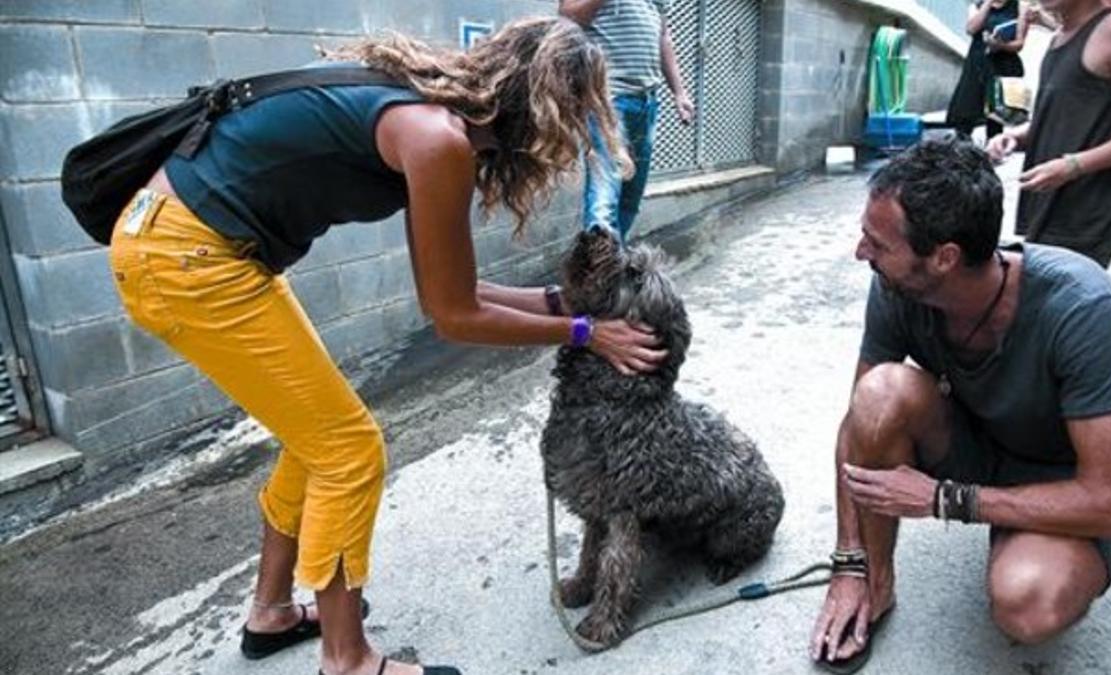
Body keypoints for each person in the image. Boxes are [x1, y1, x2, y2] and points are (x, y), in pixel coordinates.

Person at [107, 17, 667, 675]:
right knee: (348, 446)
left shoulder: (427, 116)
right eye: (574, 120)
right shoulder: (437, 139)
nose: (566, 141)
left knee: (312, 434)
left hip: (190, 246)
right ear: (543, 109)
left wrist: (558, 303)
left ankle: (271, 612)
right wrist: (583, 333)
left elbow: (452, 290)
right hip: (187, 258)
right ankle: (347, 659)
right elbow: (454, 317)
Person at [807, 140, 1111, 673]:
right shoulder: (897, 288)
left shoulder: (1084, 309)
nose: (860, 252)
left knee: (1027, 604)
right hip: (973, 441)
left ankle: (1035, 544)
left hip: (1062, 479)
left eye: (877, 242)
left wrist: (947, 499)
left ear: (944, 257)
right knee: (877, 395)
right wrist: (847, 562)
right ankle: (874, 582)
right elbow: (859, 428)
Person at [987, 0, 1111, 268]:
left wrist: (1074, 165)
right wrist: (1015, 137)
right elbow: (1059, 117)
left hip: (1086, 214)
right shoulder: (1058, 38)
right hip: (1046, 206)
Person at [559, 0, 695, 243]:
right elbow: (569, 15)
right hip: (607, 98)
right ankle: (599, 271)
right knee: (605, 193)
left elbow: (664, 36)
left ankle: (609, 264)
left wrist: (679, 92)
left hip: (647, 101)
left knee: (631, 196)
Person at [946, 0, 1032, 140]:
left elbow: (1019, 43)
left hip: (1003, 65)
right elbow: (971, 29)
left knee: (996, 119)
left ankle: (993, 154)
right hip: (977, 63)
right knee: (965, 111)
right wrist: (987, 3)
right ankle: (961, 154)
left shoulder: (1021, 6)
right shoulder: (977, 6)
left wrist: (1000, 45)